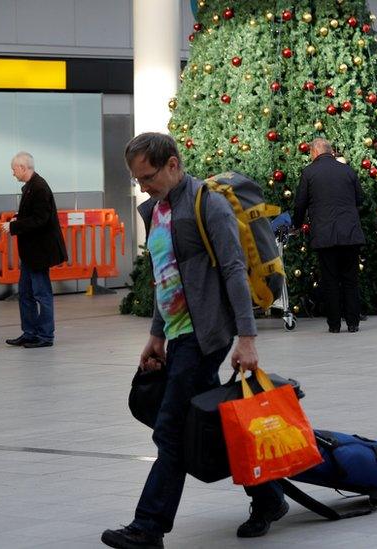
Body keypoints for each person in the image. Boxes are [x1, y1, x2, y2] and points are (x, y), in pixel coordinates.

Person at [102, 133, 286, 549]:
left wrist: (247, 338)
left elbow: (235, 271)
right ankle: (269, 497)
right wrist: (155, 333)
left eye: (148, 176)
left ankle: (149, 527)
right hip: (177, 333)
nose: (143, 186)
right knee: (210, 425)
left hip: (204, 336)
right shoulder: (158, 210)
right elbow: (165, 275)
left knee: (171, 430)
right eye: (137, 179)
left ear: (173, 164)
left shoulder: (208, 204)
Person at [293, 138, 365, 333]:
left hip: (325, 236)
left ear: (314, 153)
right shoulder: (347, 170)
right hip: (350, 234)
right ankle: (353, 322)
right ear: (331, 151)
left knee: (330, 280)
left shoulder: (309, 173)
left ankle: (334, 324)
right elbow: (360, 199)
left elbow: (300, 203)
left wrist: (296, 225)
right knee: (350, 279)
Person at [3, 152, 67, 349]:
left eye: (14, 169)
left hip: (39, 252)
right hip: (31, 253)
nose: (13, 174)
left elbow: (40, 219)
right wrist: (18, 216)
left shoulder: (39, 188)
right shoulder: (31, 187)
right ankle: (30, 333)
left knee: (41, 293)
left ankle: (46, 336)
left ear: (23, 167)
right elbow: (33, 214)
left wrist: (14, 227)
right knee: (26, 293)